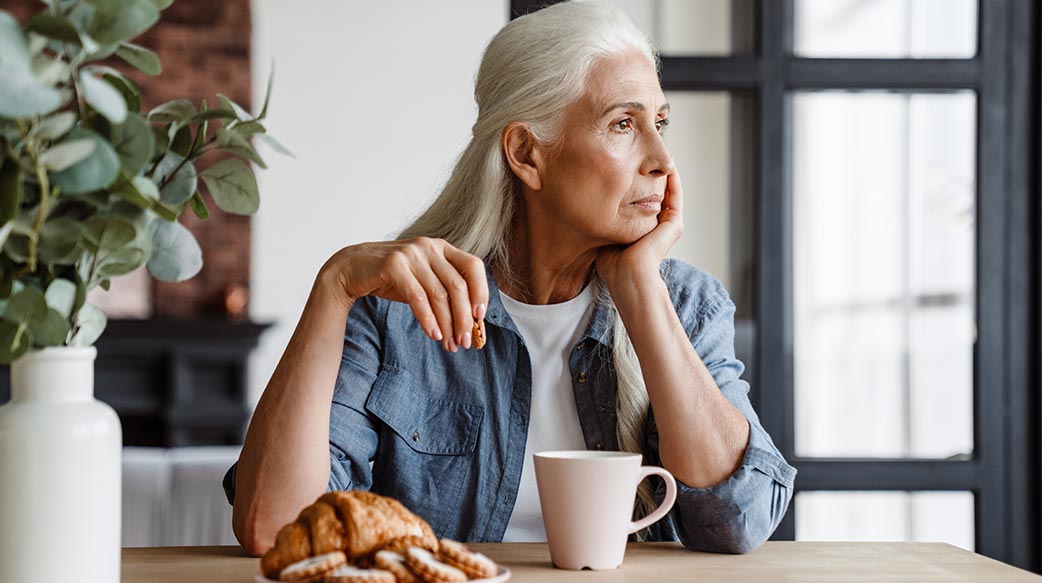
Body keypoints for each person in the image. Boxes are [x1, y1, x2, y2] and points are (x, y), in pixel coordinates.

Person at [225, 0, 795, 556]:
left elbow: (738, 519)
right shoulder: (393, 306)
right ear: (526, 153)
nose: (663, 160)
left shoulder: (689, 304)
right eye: (624, 123)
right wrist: (333, 288)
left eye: (660, 123)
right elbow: (274, 529)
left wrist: (642, 289)